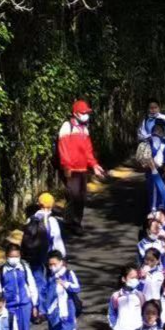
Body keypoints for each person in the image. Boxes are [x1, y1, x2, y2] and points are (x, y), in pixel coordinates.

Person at [56, 100, 107, 234]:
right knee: (73, 196)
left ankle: (76, 223)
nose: (86, 115)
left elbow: (88, 151)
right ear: (75, 113)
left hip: (82, 169)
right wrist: (66, 166)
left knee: (81, 197)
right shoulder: (67, 127)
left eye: (87, 113)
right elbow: (63, 148)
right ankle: (69, 223)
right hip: (71, 169)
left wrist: (94, 165)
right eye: (83, 113)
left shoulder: (84, 129)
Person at [41, 253, 82, 330]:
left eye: (54, 264)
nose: (52, 267)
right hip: (53, 313)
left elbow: (77, 288)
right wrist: (44, 309)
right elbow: (44, 293)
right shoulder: (49, 276)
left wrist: (65, 284)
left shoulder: (69, 274)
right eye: (50, 265)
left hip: (67, 311)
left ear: (61, 262)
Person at [0, 245, 40, 330]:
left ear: (20, 256)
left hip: (24, 305)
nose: (14, 259)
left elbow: (32, 286)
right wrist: (0, 308)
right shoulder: (2, 271)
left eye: (16, 256)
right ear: (6, 256)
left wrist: (35, 305)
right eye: (11, 256)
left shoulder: (24, 268)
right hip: (9, 307)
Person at [25, 195, 67, 272]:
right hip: (47, 256)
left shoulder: (30, 219)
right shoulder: (52, 221)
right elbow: (57, 242)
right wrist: (62, 257)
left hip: (33, 257)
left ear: (39, 205)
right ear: (51, 206)